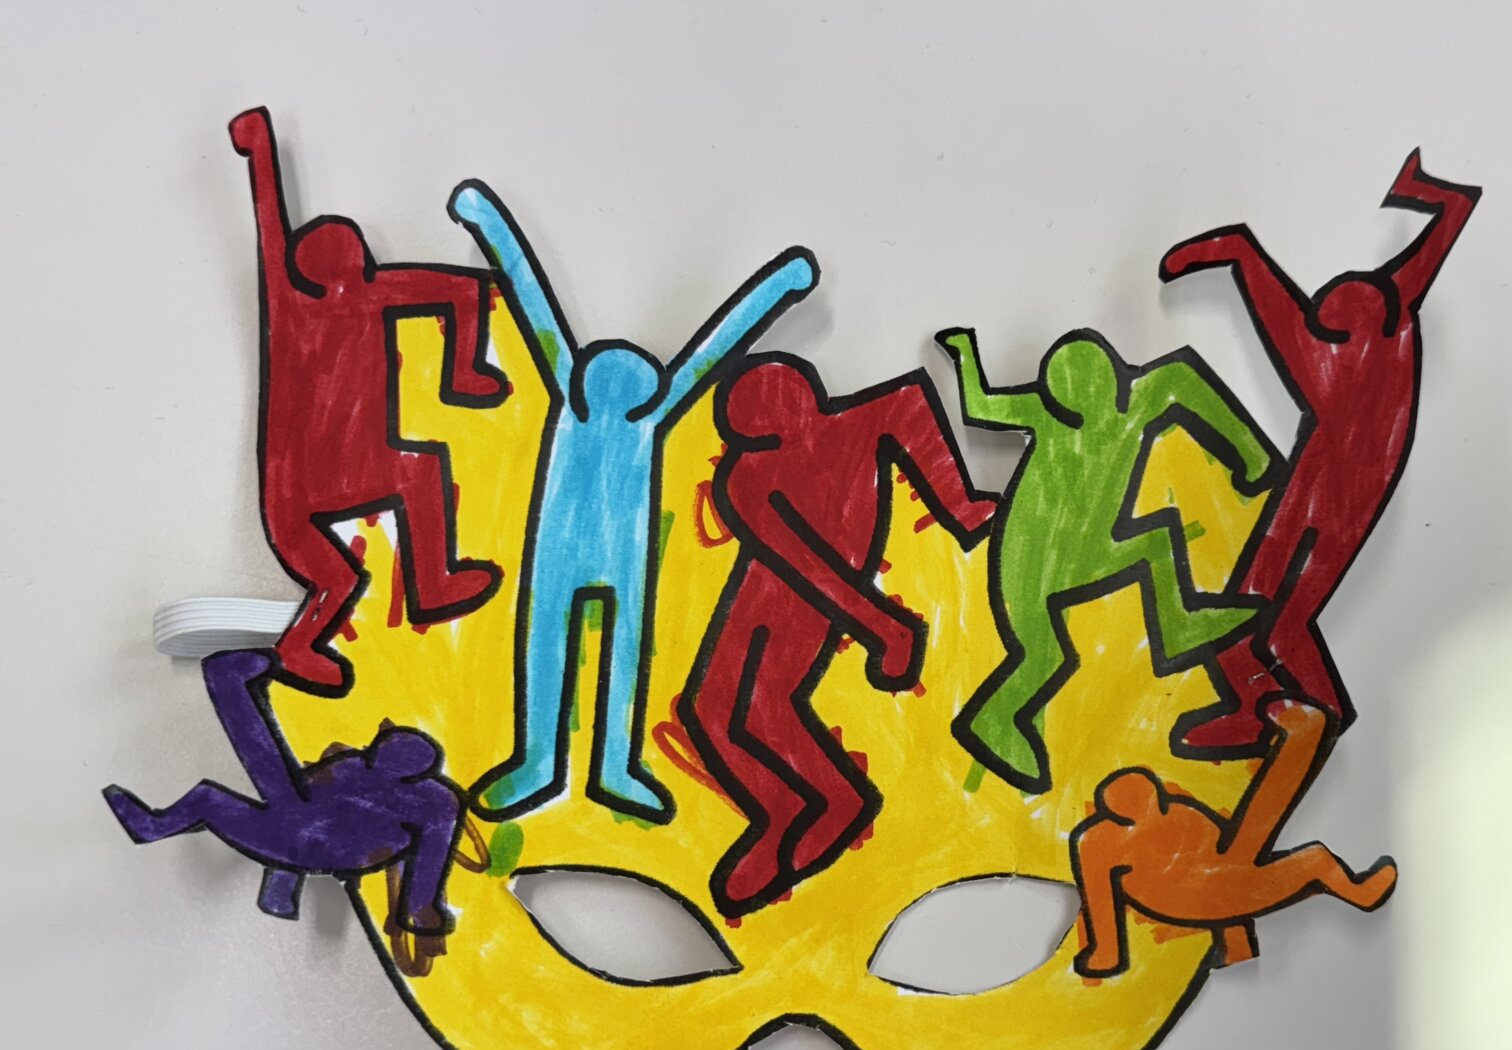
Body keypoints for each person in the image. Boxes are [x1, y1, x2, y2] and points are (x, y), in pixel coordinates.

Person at [448, 181, 817, 822]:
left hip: (621, 557)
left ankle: (612, 765)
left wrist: (783, 285)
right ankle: (541, 762)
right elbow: (532, 297)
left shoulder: (643, 417)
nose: (621, 379)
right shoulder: (581, 400)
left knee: (620, 656)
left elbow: (717, 346)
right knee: (552, 649)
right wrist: (483, 219)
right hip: (561, 553)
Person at [1160, 149, 1481, 754]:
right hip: (1316, 491)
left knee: (1272, 620)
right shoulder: (1392, 325)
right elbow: (1439, 238)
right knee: (1251, 610)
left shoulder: (1333, 366)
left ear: (1354, 322)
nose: (1320, 318)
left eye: (1330, 317)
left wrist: (1239, 254)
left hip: (1334, 505)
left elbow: (1277, 310)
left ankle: (1316, 713)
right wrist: (1434, 196)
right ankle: (1269, 709)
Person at [679, 357, 995, 915]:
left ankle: (837, 800)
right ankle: (780, 810)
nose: (768, 423)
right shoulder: (745, 477)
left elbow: (911, 404)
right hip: (770, 586)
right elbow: (800, 561)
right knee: (708, 710)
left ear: (801, 396)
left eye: (771, 407)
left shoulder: (861, 423)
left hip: (808, 599)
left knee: (768, 705)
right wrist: (883, 627)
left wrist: (959, 504)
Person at [228, 108, 507, 692]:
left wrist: (466, 373)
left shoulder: (360, 296)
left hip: (318, 481)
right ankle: (428, 586)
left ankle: (423, 590)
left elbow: (466, 290)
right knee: (405, 492)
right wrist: (259, 154)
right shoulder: (312, 306)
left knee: (345, 572)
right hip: (305, 481)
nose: (350, 261)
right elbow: (270, 228)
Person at [937, 327, 1274, 793]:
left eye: (1091, 379)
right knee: (1043, 656)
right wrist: (963, 353)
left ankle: (1178, 626)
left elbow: (1181, 380)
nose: (1084, 395)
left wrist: (1250, 454)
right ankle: (993, 721)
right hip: (1029, 561)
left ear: (1109, 378)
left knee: (1155, 541)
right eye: (1069, 385)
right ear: (1057, 392)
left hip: (1087, 554)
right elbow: (981, 406)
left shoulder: (1132, 411)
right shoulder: (1048, 414)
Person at [102, 650, 464, 936]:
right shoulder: (366, 771)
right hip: (301, 833)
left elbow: (429, 858)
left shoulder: (428, 802)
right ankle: (277, 896)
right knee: (221, 798)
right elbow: (305, 802)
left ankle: (228, 683)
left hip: (314, 838)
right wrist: (419, 910)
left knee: (225, 797)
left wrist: (419, 909)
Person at [1071, 699, 1396, 979]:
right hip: (1200, 895)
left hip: (1219, 881)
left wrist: (1236, 948)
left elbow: (1226, 861)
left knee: (1272, 851)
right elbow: (1101, 900)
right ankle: (1360, 894)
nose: (1153, 807)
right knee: (1314, 861)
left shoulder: (1177, 815)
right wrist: (1107, 954)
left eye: (1152, 798)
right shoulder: (1100, 843)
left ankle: (1301, 739)